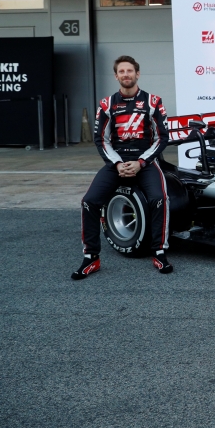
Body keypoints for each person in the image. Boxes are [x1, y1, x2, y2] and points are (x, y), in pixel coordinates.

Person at [72, 55, 172, 279]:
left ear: (137, 74)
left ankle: (159, 252)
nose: (126, 75)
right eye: (121, 72)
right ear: (116, 76)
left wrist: (140, 162)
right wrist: (117, 163)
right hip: (116, 162)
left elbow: (161, 138)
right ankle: (91, 258)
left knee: (160, 199)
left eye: (130, 71)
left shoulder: (153, 102)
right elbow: (101, 139)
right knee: (89, 202)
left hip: (145, 162)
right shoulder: (107, 104)